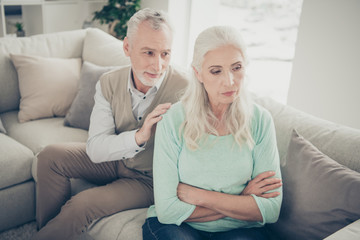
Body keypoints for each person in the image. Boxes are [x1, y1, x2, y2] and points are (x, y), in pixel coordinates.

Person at [32, 8, 188, 240]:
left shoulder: (185, 90)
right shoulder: (108, 82)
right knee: (49, 156)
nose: (158, 65)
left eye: (165, 54)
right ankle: (47, 233)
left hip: (148, 179)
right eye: (149, 52)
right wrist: (139, 136)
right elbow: (95, 148)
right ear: (127, 47)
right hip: (115, 160)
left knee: (81, 204)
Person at [142, 25, 283, 240]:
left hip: (240, 232)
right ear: (198, 73)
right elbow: (168, 210)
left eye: (236, 67)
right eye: (216, 71)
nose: (229, 81)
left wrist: (201, 196)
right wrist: (243, 199)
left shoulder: (261, 120)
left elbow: (270, 209)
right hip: (177, 228)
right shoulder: (173, 120)